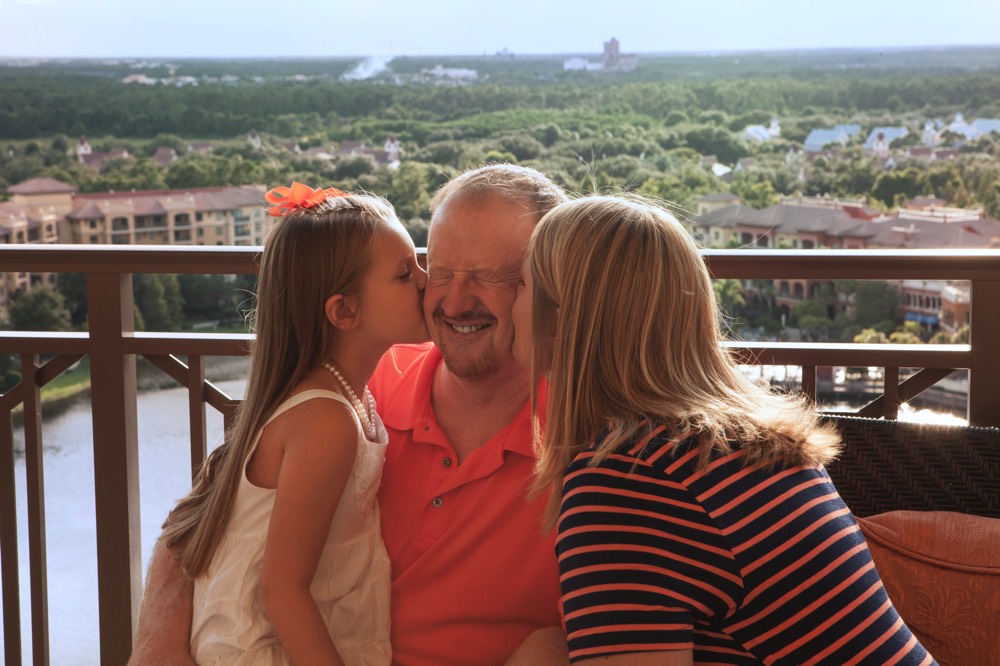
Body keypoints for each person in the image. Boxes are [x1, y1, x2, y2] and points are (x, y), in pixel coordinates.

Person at [129, 164, 570, 666]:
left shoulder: (590, 439)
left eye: (492, 277)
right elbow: (205, 515)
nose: (452, 300)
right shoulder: (357, 386)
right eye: (440, 270)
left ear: (549, 289)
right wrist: (159, 648)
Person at [513, 194, 936, 665]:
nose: (511, 303)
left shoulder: (628, 485)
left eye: (521, 285)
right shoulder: (737, 442)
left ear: (561, 318)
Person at [159, 182, 428, 664]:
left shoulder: (348, 394)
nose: (427, 281)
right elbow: (283, 590)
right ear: (344, 311)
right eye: (405, 274)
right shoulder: (326, 419)